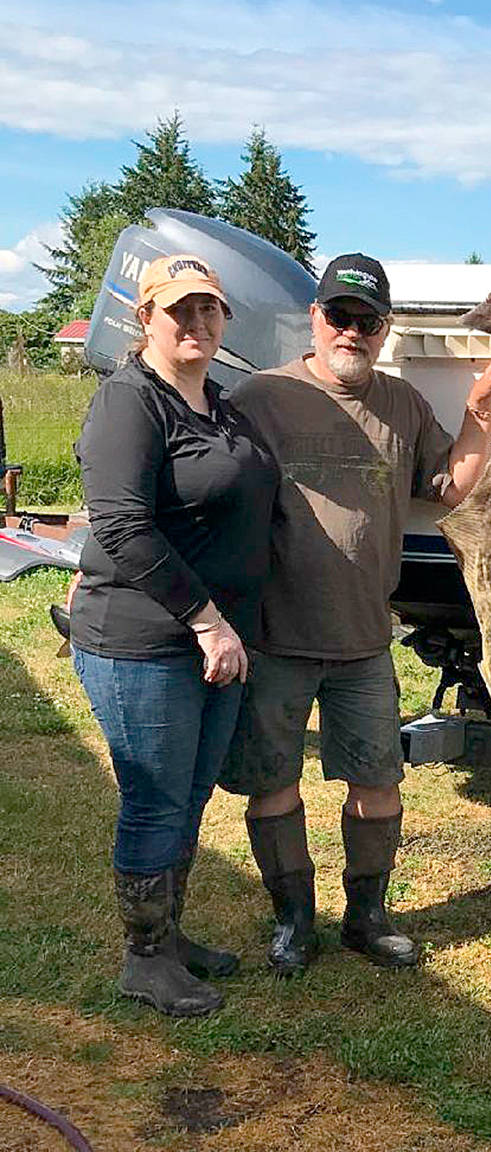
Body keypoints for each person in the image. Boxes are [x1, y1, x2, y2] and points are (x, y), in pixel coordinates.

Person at [221, 253, 491, 975]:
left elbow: (451, 487)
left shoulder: (402, 405)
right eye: (339, 317)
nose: (350, 332)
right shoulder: (260, 398)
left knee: (378, 783)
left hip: (363, 640)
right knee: (273, 783)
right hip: (272, 638)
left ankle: (367, 916)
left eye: (367, 321)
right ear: (315, 319)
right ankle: (293, 920)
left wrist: (480, 413)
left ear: (385, 330)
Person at [72, 254, 278, 1016]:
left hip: (214, 644)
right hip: (147, 643)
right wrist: (208, 621)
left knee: (189, 795)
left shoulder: (219, 404)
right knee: (156, 800)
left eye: (208, 311)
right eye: (178, 311)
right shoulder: (130, 402)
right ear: (144, 319)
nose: (196, 324)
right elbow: (122, 526)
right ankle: (144, 959)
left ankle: (170, 934)